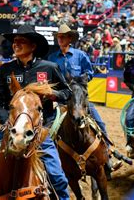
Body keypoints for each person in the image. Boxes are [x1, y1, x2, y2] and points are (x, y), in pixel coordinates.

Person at [0, 24, 71, 200]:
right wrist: (9, 122)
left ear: (33, 46)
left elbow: (67, 93)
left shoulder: (49, 68)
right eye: (14, 42)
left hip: (40, 132)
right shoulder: (4, 70)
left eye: (21, 41)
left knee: (58, 178)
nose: (16, 45)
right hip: (9, 129)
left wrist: (53, 94)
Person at [48, 24, 122, 173]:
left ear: (69, 39)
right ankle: (49, 162)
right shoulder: (52, 58)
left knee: (99, 123)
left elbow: (90, 72)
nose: (60, 39)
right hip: (61, 102)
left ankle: (108, 157)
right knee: (48, 129)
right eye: (58, 36)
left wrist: (82, 79)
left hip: (80, 101)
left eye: (63, 36)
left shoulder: (80, 55)